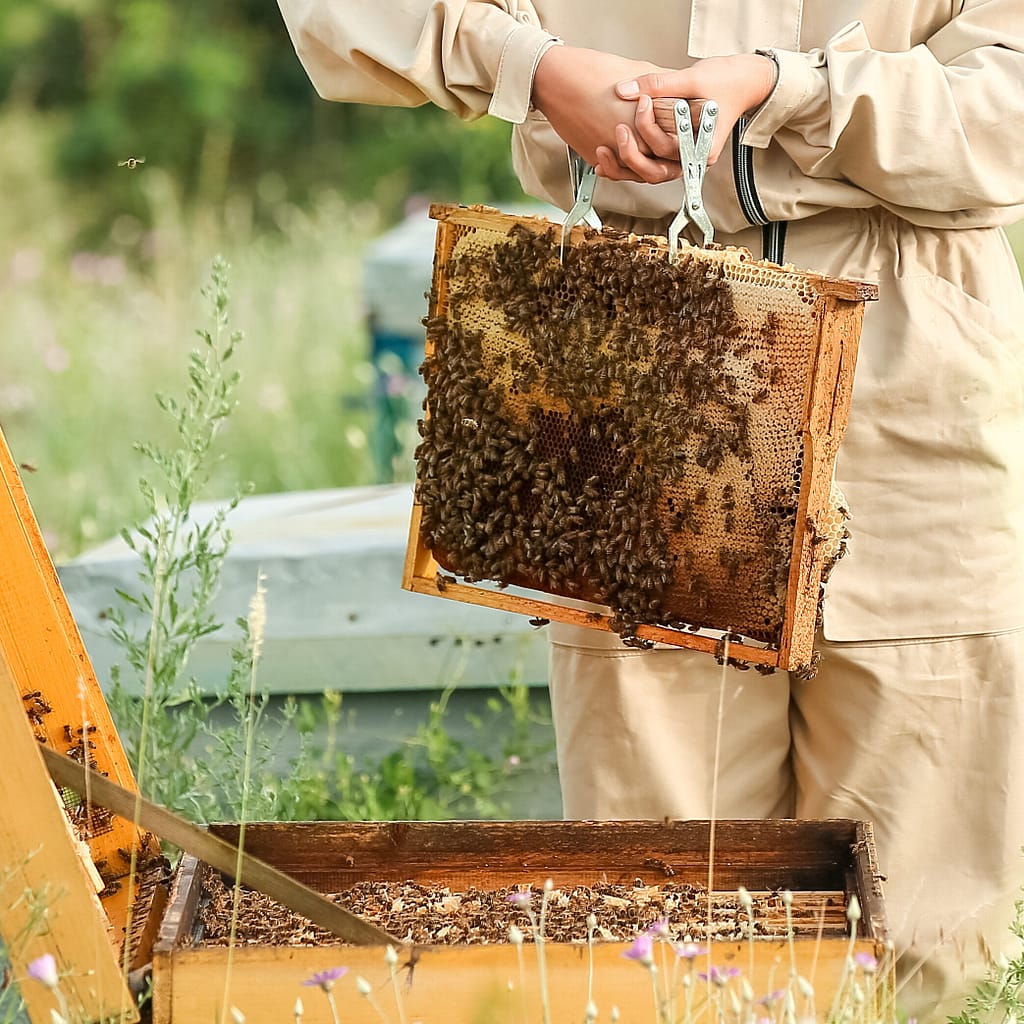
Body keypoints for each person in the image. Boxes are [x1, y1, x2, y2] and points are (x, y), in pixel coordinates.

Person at [275, 2, 1024, 1018]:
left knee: (926, 928)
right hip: (638, 349)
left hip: (911, 362)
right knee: (660, 918)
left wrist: (785, 85)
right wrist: (531, 66)